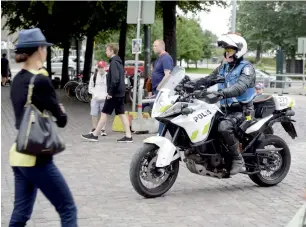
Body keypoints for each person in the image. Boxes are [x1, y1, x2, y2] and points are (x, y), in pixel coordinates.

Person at [9, 28, 77, 226]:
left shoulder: (17, 79)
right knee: (68, 209)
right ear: (39, 49)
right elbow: (62, 120)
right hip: (37, 158)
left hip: (18, 154)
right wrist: (60, 110)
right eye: (45, 48)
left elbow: (19, 119)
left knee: (20, 214)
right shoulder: (40, 80)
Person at [195, 33, 256, 175]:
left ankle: (237, 158)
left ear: (239, 51)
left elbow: (240, 87)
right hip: (225, 110)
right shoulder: (224, 67)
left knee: (224, 127)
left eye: (230, 50)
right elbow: (210, 79)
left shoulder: (246, 68)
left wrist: (222, 93)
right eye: (226, 50)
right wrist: (191, 84)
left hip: (243, 111)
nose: (227, 53)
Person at [82, 43, 133, 143]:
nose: (106, 52)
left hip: (114, 93)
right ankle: (128, 136)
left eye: (107, 50)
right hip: (120, 92)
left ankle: (95, 134)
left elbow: (115, 79)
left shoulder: (114, 63)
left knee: (104, 112)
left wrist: (110, 92)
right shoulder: (119, 62)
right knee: (121, 114)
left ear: (111, 51)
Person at [152, 40, 174, 134]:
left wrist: (159, 86)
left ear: (161, 46)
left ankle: (160, 134)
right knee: (161, 113)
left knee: (162, 114)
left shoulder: (166, 58)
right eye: (153, 46)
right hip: (158, 90)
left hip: (162, 90)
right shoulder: (160, 58)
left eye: (155, 46)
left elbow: (167, 74)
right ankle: (162, 133)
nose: (154, 48)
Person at [88, 61, 108, 136]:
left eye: (102, 67)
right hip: (95, 98)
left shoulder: (108, 76)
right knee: (94, 114)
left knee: (104, 115)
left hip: (104, 98)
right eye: (99, 67)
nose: (100, 69)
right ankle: (94, 128)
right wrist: (94, 94)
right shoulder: (94, 76)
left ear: (105, 68)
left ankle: (103, 129)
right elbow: (90, 87)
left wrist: (107, 95)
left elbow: (110, 87)